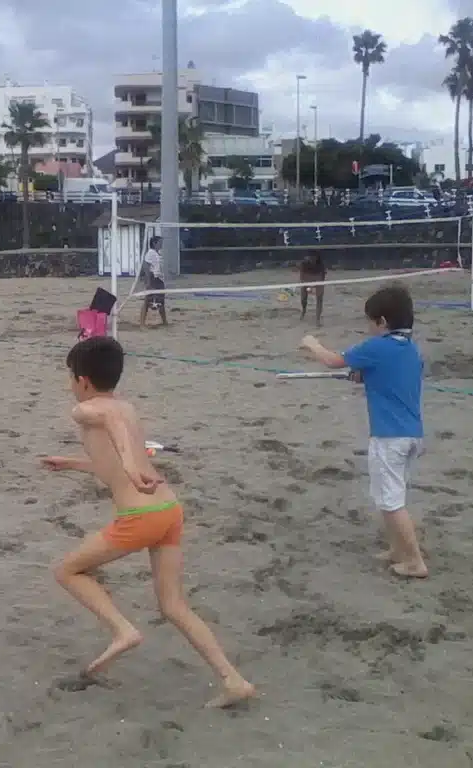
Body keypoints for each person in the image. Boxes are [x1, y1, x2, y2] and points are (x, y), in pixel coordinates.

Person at [40, 337, 255, 707]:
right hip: (168, 509)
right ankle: (232, 679)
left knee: (67, 572)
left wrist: (126, 464)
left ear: (83, 380)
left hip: (139, 516)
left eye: (70, 377)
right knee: (173, 605)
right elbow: (118, 456)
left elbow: (116, 443)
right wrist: (73, 463)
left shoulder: (86, 409)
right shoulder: (127, 407)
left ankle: (122, 630)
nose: (69, 385)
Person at [299, 285, 427, 579]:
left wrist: (312, 344)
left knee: (392, 501)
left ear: (382, 322)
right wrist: (363, 375)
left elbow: (333, 360)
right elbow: (387, 377)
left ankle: (414, 561)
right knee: (389, 495)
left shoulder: (377, 346)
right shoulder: (409, 349)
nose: (368, 328)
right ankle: (398, 550)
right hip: (411, 434)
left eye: (370, 321)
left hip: (390, 436)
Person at [138, 235, 167, 328]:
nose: (161, 244)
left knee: (161, 301)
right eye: (160, 243)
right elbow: (146, 266)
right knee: (148, 301)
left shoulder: (157, 253)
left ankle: (164, 321)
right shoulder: (151, 253)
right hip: (154, 279)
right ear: (154, 243)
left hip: (159, 279)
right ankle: (142, 323)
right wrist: (148, 281)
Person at [298, 251, 326, 327]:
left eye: (313, 258)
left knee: (319, 298)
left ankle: (317, 319)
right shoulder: (303, 263)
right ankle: (304, 311)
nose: (311, 259)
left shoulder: (321, 264)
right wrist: (309, 287)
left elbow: (322, 278)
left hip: (317, 279)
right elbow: (302, 277)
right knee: (303, 298)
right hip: (306, 279)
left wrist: (316, 286)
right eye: (310, 257)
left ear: (316, 258)